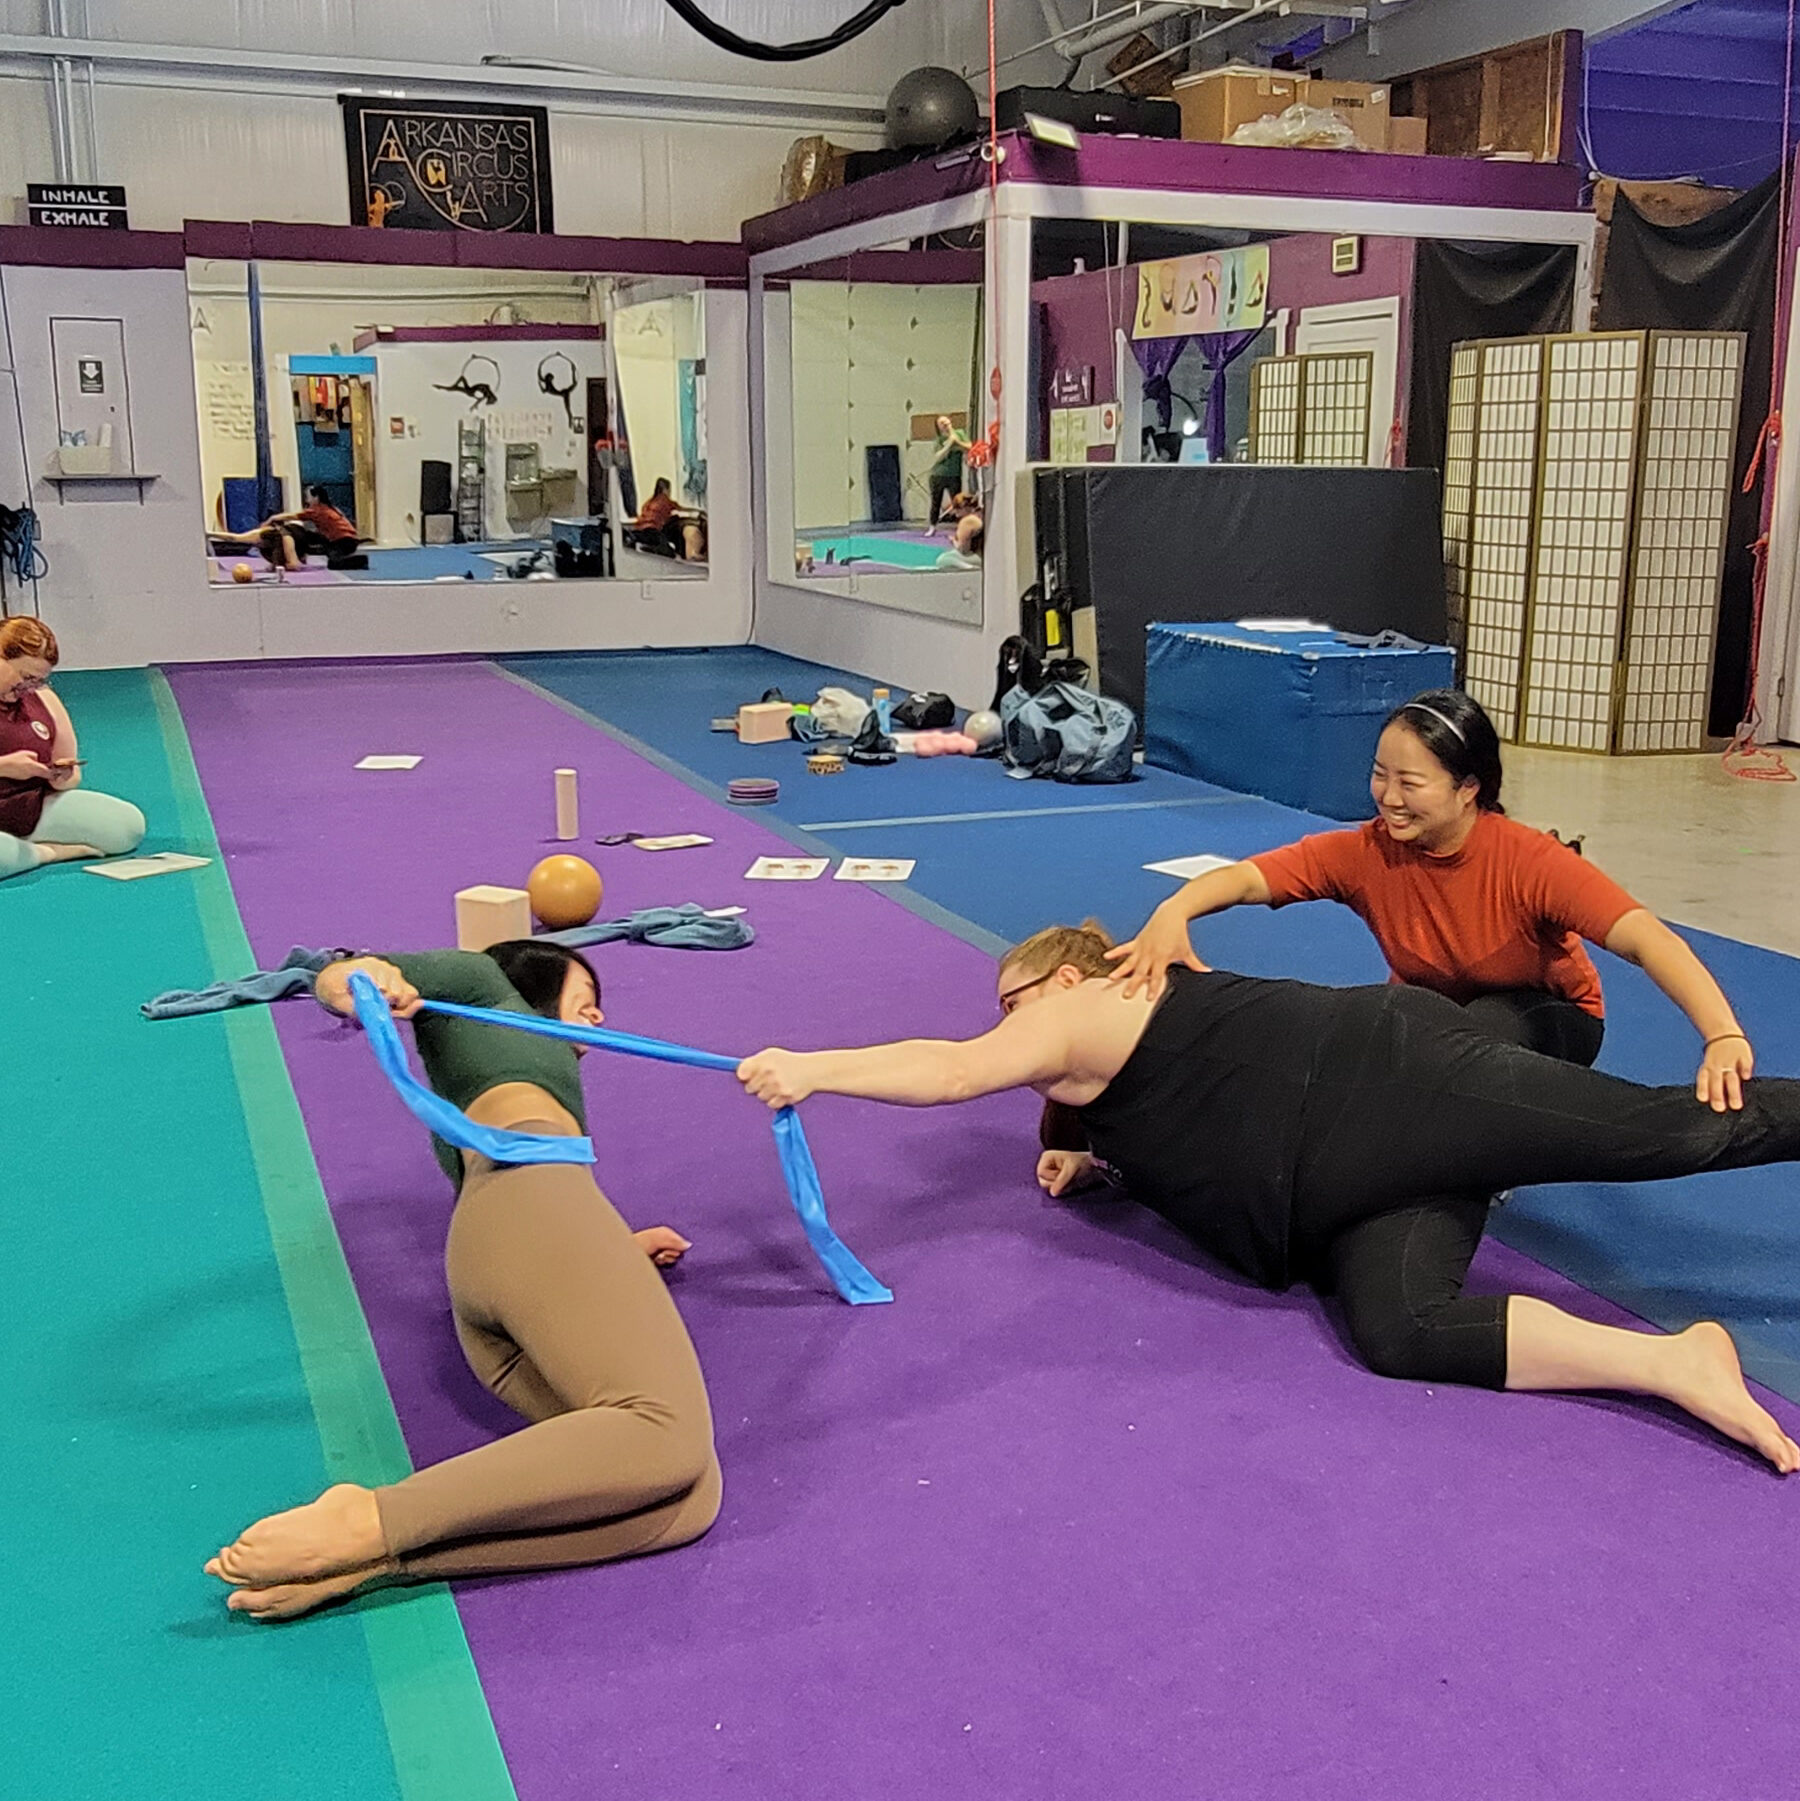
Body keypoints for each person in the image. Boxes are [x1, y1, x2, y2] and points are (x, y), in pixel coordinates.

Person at [737, 920, 1800, 1472]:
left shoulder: (1095, 996)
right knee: (1403, 1327)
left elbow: (955, 1068)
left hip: (1404, 1084)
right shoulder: (1095, 1090)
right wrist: (1098, 1161)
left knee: (1666, 1134)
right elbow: (1187, 1109)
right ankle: (1672, 1359)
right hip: (1359, 1189)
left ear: (1064, 980)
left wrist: (816, 1067)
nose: (1002, 1022)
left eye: (1008, 1000)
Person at [206, 940, 721, 1621]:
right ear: (525, 990)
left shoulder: (499, 1082)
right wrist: (358, 978)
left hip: (500, 1256)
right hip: (529, 1205)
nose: (596, 1022)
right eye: (583, 1001)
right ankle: (375, 1518)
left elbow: (539, 1236)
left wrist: (611, 1255)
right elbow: (337, 972)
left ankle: (384, 1559)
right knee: (664, 1432)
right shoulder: (483, 987)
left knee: (685, 1496)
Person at [1109, 689, 1750, 1102]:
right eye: (1380, 775)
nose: (1388, 796)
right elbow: (1249, 878)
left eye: (1410, 781)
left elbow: (1646, 938)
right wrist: (1175, 910)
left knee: (1462, 1047)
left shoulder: (1527, 860)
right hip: (1431, 1020)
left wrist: (1720, 1035)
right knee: (1358, 1048)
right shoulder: (1366, 852)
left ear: (1468, 787)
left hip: (1548, 1018)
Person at [0, 616, 145, 881]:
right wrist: (5, 767)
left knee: (126, 827)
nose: (29, 687)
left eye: (38, 681)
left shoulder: (43, 698)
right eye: (25, 677)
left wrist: (60, 777)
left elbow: (68, 766)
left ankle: (19, 853)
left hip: (30, 806)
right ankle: (48, 853)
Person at [228, 486, 361, 572]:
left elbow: (292, 516)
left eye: (308, 496)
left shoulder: (317, 510)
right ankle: (301, 556)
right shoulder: (331, 508)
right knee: (310, 537)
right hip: (348, 539)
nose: (306, 499)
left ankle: (360, 560)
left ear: (316, 498)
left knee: (333, 563)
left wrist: (272, 518)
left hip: (343, 541)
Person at [927, 416, 971, 525]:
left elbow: (969, 447)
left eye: (945, 420)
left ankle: (960, 525)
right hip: (938, 475)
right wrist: (949, 445)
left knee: (958, 502)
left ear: (950, 421)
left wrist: (957, 442)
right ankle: (932, 526)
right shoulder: (939, 440)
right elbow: (938, 456)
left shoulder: (960, 433)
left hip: (954, 474)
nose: (944, 423)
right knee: (936, 502)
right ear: (939, 427)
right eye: (941, 423)